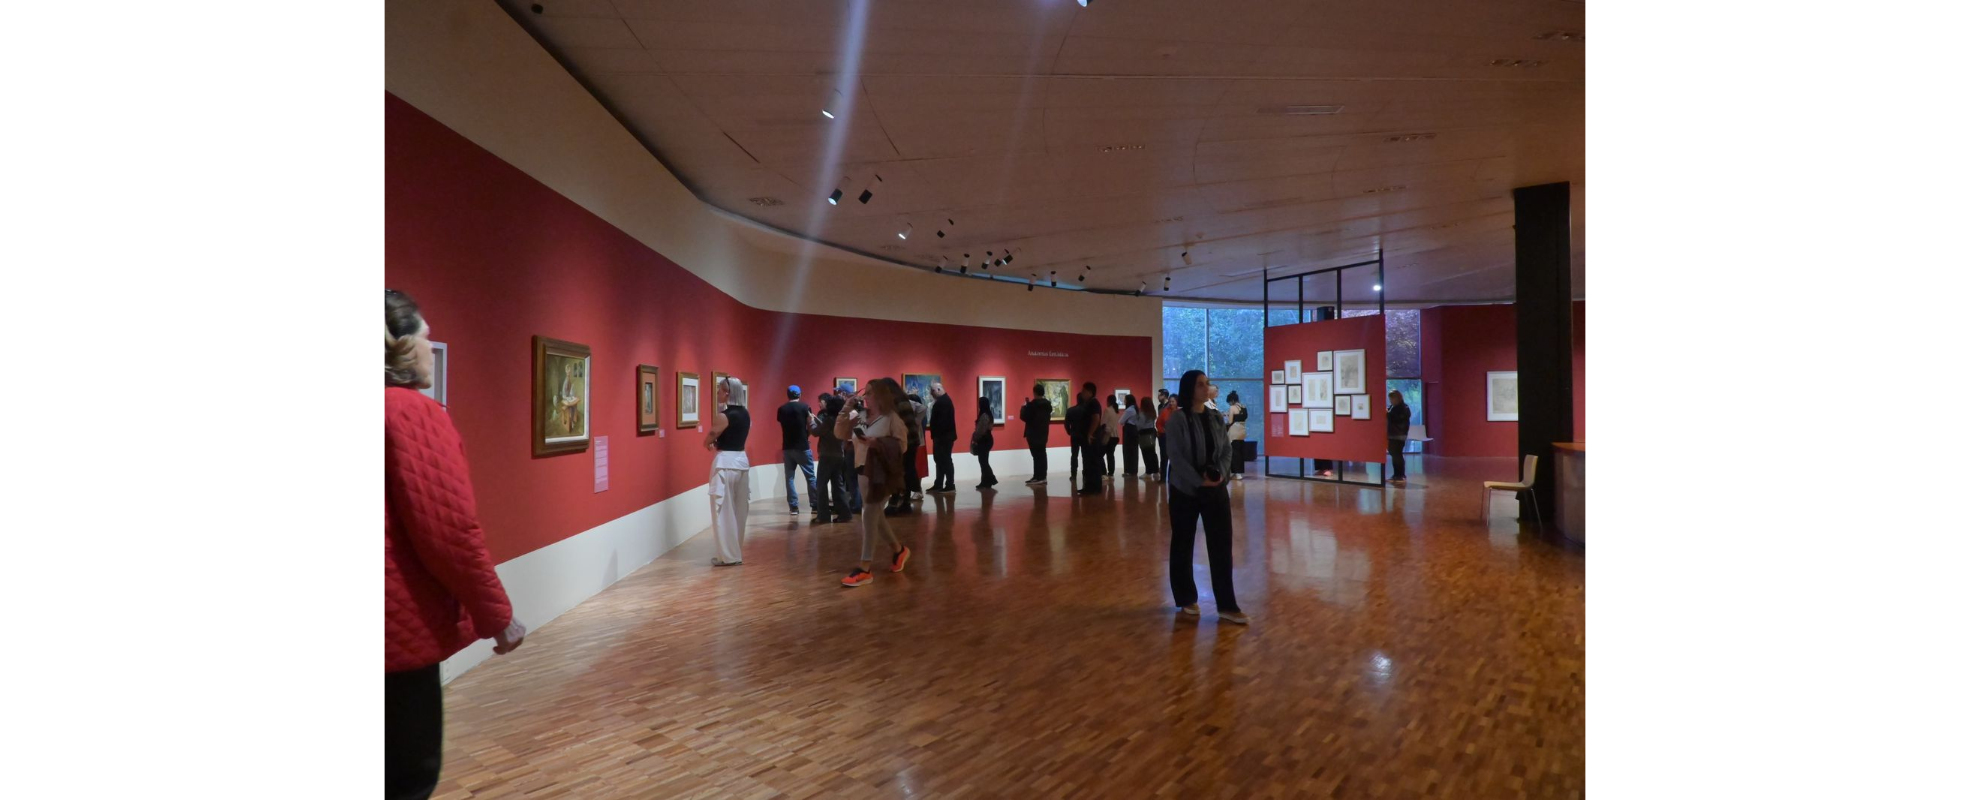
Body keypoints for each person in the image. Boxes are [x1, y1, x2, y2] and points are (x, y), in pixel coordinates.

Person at [385, 290, 526, 800]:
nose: (430, 347)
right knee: (407, 778)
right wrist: (497, 616)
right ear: (400, 345)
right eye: (425, 336)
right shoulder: (409, 413)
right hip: (394, 634)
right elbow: (449, 532)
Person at [1164, 370, 1247, 625]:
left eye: (1207, 383)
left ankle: (1227, 605)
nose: (1206, 387)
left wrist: (1219, 476)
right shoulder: (1177, 420)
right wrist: (1198, 480)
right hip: (1185, 490)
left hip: (1215, 489)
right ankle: (1186, 597)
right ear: (1190, 388)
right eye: (1201, 384)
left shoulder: (1214, 417)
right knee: (1183, 543)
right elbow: (1176, 457)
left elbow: (1226, 451)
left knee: (1221, 545)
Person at [838, 378, 912, 587]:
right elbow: (839, 432)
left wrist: (877, 443)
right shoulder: (860, 415)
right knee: (875, 515)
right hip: (862, 471)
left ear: (880, 395)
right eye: (865, 392)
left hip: (881, 474)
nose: (865, 396)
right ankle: (899, 550)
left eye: (869, 392)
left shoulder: (891, 418)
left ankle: (865, 567)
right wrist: (846, 407)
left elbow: (903, 445)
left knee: (869, 514)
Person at [703, 377, 751, 565]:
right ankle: (735, 552)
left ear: (728, 393)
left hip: (725, 463)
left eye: (720, 390)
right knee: (740, 510)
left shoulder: (723, 416)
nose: (718, 393)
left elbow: (712, 435)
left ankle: (728, 556)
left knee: (722, 510)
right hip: (741, 461)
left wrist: (707, 442)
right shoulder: (746, 414)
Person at [811, 392, 852, 523]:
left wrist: (810, 422)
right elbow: (827, 429)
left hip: (827, 455)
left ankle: (823, 515)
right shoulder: (841, 419)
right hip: (839, 455)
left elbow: (816, 432)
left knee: (821, 485)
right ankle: (845, 513)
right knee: (838, 485)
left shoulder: (829, 420)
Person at [777, 386, 818, 516]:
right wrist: (806, 436)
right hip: (802, 446)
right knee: (810, 477)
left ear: (787, 395)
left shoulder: (781, 409)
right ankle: (815, 505)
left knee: (789, 478)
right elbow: (810, 424)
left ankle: (793, 507)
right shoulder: (805, 407)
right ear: (799, 394)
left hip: (787, 447)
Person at [836, 384, 864, 515]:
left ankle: (856, 503)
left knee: (852, 477)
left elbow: (845, 431)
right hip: (857, 446)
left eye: (840, 393)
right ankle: (858, 502)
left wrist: (847, 442)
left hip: (851, 447)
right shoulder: (862, 413)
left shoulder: (851, 414)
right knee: (856, 477)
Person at [928, 382, 958, 493]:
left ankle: (949, 484)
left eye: (932, 391)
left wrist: (938, 436)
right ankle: (939, 483)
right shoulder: (944, 401)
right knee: (940, 460)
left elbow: (942, 422)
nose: (931, 393)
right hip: (943, 437)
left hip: (943, 437)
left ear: (939, 389)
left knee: (945, 460)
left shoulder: (943, 402)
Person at [1075, 389, 1106, 496]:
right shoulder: (1089, 403)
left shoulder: (1093, 403)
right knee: (1088, 463)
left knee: (1092, 462)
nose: (1082, 393)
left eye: (1084, 391)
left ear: (1090, 392)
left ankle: (1094, 488)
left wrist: (1090, 434)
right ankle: (1089, 487)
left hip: (1091, 438)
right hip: (1088, 437)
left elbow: (1096, 418)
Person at [1020, 385, 1052, 485]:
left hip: (1033, 433)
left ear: (1035, 393)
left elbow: (1024, 417)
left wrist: (1023, 408)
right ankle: (1041, 476)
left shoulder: (1032, 405)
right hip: (1043, 433)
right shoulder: (1047, 405)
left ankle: (1038, 477)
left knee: (1036, 456)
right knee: (1042, 454)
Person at [972, 393, 999, 491]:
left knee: (983, 462)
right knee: (984, 461)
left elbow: (981, 430)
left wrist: (975, 438)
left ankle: (989, 480)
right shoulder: (989, 414)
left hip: (983, 440)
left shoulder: (984, 415)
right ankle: (986, 481)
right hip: (987, 439)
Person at [1064, 386, 1089, 488]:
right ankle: (1085, 474)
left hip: (1074, 435)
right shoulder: (1087, 410)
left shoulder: (1071, 410)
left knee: (1074, 455)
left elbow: (1066, 424)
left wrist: (1069, 432)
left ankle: (1073, 474)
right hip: (1084, 435)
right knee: (1085, 456)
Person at [1387, 389, 1412, 483]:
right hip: (1394, 434)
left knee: (1397, 455)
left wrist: (1387, 414)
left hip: (1398, 435)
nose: (1390, 401)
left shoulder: (1403, 408)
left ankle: (1400, 475)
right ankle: (1397, 475)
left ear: (1397, 398)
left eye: (1392, 399)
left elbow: (1395, 418)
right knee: (1395, 455)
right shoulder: (1394, 407)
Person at [1225, 390, 1250, 480]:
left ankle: (1234, 472)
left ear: (1231, 400)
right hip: (1242, 431)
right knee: (1240, 452)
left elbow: (1230, 421)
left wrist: (1226, 416)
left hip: (1234, 432)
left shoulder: (1232, 408)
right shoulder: (1243, 407)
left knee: (1233, 452)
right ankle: (1239, 473)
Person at [1138, 395, 1162, 481]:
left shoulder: (1142, 414)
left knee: (1145, 453)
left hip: (1144, 433)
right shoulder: (1152, 413)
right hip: (1152, 432)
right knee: (1152, 452)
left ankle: (1148, 472)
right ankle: (1156, 471)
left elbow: (1140, 425)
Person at [1156, 389, 1176, 480]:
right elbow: (1158, 422)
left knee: (1174, 458)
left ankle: (1173, 477)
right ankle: (1163, 477)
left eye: (1173, 401)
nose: (1171, 403)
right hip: (1164, 436)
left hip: (1175, 437)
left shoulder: (1179, 412)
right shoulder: (1163, 409)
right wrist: (1162, 430)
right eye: (1170, 401)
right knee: (1164, 457)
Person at [1103, 393, 1123, 480]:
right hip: (1115, 436)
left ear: (1108, 401)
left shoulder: (1107, 410)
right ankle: (1111, 473)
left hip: (1108, 435)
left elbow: (1103, 423)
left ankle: (1103, 473)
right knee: (1110, 455)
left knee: (1100, 455)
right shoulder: (1116, 411)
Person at [1119, 394, 1140, 477]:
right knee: (1134, 451)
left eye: (1125, 399)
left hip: (1128, 430)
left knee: (1127, 450)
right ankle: (1134, 470)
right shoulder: (1135, 409)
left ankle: (1128, 470)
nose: (1124, 401)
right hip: (1134, 430)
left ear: (1128, 401)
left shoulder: (1129, 410)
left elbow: (1121, 421)